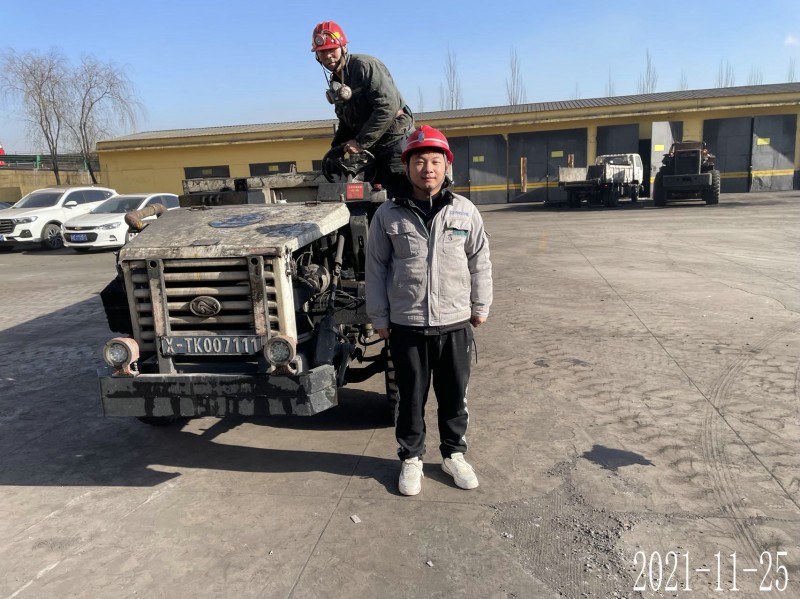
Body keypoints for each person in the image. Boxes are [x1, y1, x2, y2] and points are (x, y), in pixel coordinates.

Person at [365, 125, 493, 496]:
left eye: (435, 161)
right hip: (407, 325)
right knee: (409, 398)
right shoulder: (388, 214)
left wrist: (480, 304)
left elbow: (479, 260)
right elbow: (376, 268)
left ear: (446, 165)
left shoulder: (464, 211)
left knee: (454, 396)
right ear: (407, 167)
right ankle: (411, 458)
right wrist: (379, 317)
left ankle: (453, 454)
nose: (428, 169)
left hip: (454, 323)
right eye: (419, 161)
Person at [311, 21, 414, 196]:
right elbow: (346, 122)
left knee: (401, 198)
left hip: (394, 143)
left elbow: (387, 107)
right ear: (317, 55)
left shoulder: (365, 66)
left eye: (332, 49)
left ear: (343, 48)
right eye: (322, 52)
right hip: (372, 148)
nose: (328, 56)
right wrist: (335, 151)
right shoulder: (337, 82)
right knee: (370, 201)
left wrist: (359, 143)